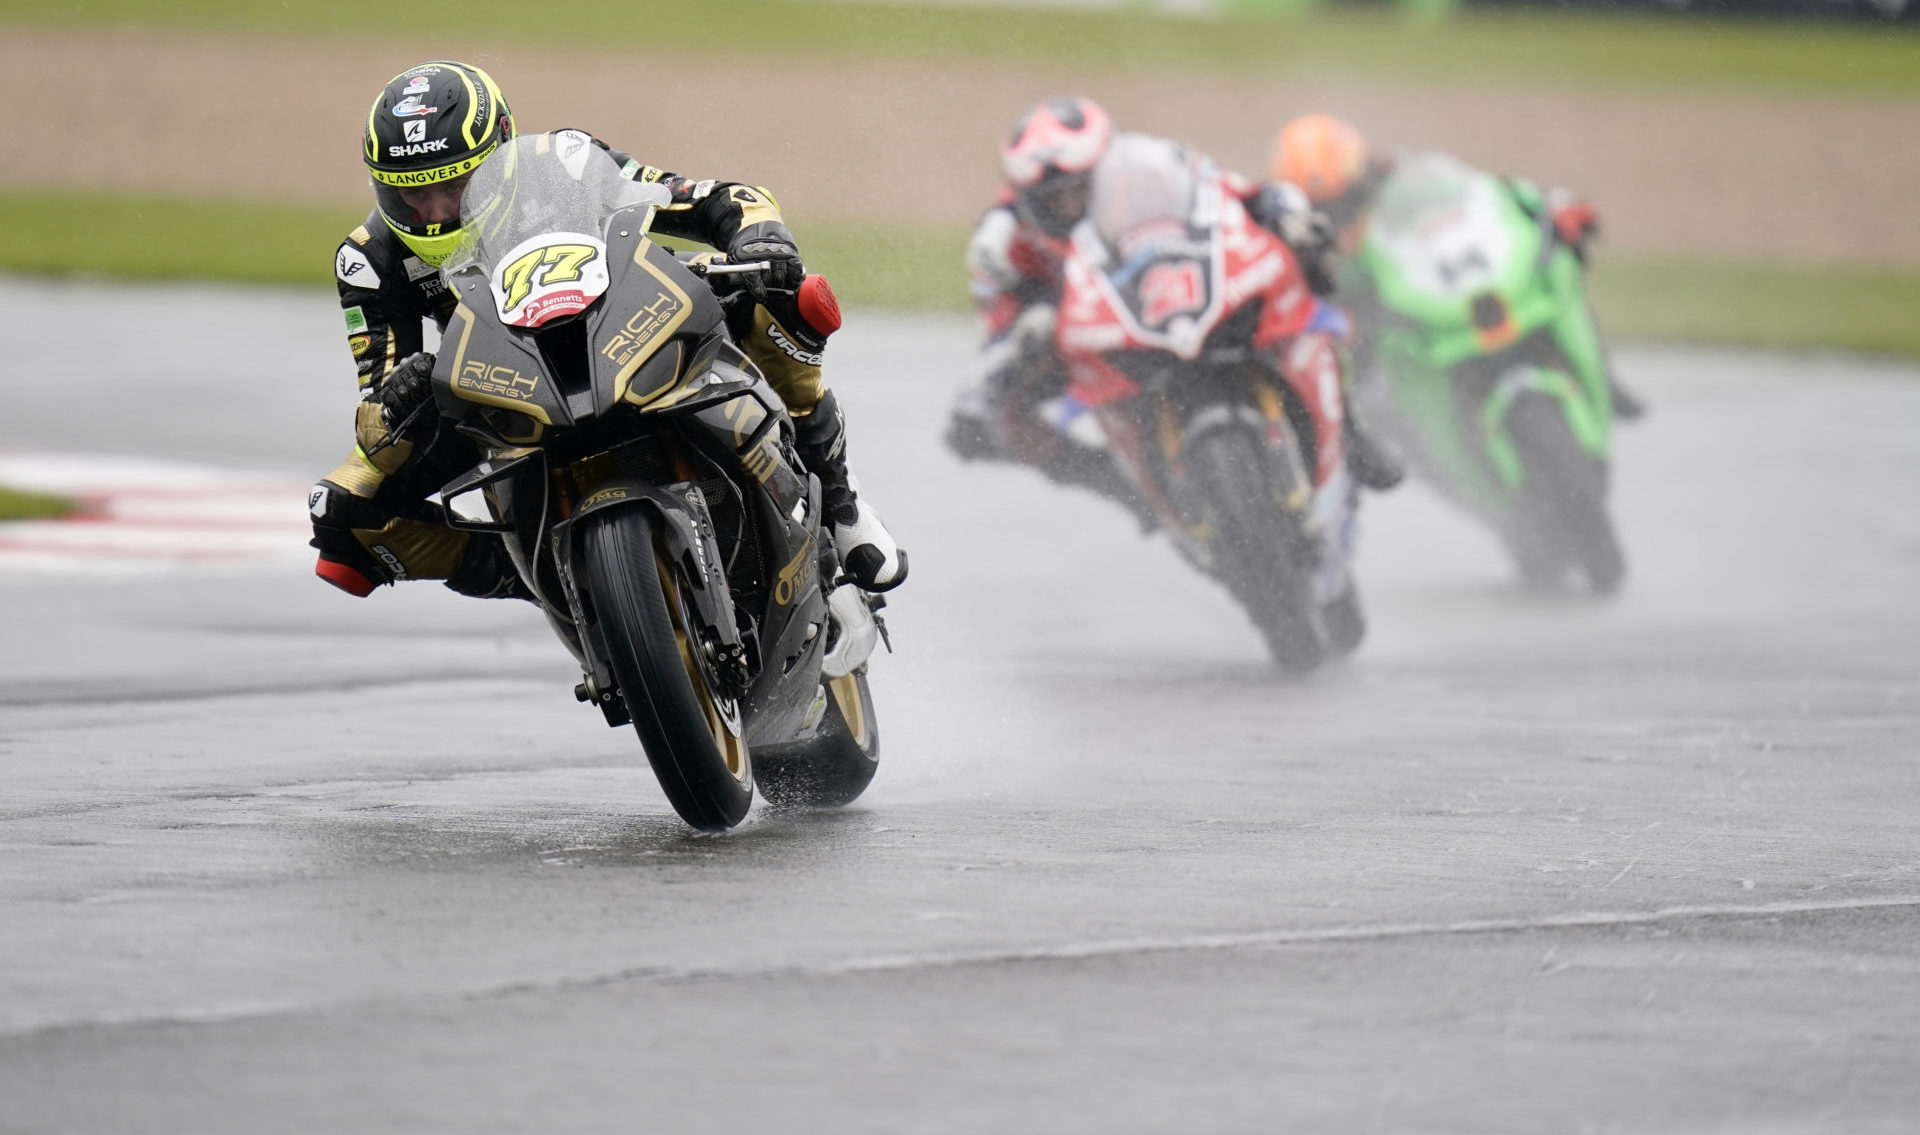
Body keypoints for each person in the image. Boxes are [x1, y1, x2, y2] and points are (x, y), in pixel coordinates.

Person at [309, 60, 905, 601]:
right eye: (413, 197)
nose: (437, 212)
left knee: (785, 298)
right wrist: (401, 393)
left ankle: (841, 507)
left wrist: (758, 237)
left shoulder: (564, 163)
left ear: (499, 153)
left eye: (455, 187)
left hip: (628, 320)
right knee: (342, 517)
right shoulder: (368, 260)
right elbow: (378, 416)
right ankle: (544, 577)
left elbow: (720, 199)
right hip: (498, 382)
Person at [945, 97, 1402, 511]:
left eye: (1080, 191)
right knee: (975, 426)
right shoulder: (1002, 239)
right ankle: (1119, 485)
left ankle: (1348, 430)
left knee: (1305, 274)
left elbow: (1239, 195)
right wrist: (1022, 336)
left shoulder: (1152, 171)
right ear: (1026, 199)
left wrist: (1289, 218)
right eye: (1054, 201)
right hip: (1088, 344)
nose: (1069, 206)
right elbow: (997, 323)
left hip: (1174, 297)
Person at [1268, 112, 1645, 421]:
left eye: (1347, 201)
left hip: (1451, 285)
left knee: (1558, 264)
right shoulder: (1298, 241)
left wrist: (1553, 204)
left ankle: (1598, 369)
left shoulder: (1407, 174)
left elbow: (1486, 194)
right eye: (1326, 212)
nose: (1341, 220)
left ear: (1364, 175)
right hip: (1389, 332)